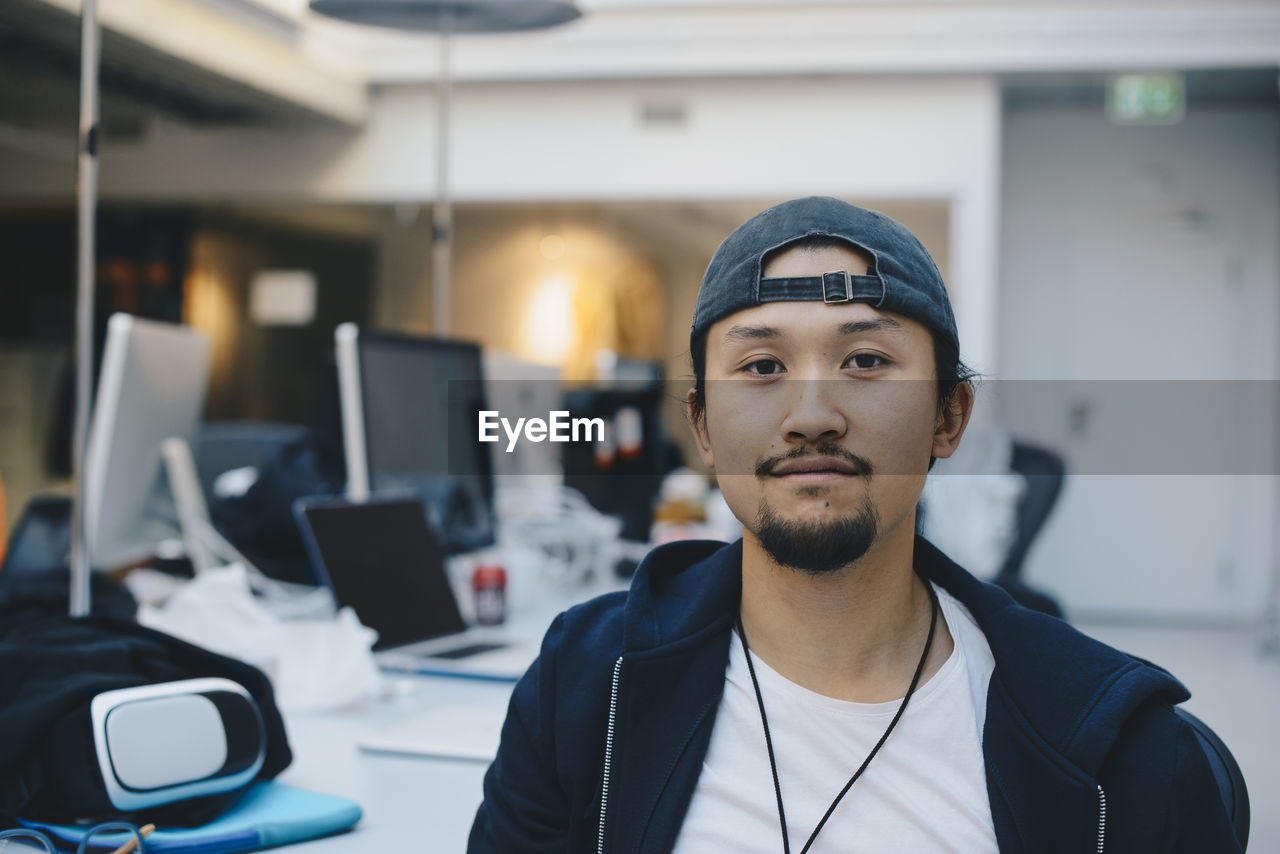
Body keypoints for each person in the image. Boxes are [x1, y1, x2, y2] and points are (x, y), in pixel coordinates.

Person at [469, 197, 1242, 853]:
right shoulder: (580, 690)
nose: (811, 418)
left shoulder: (1125, 750)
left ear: (949, 416)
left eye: (866, 361)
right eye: (762, 368)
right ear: (702, 426)